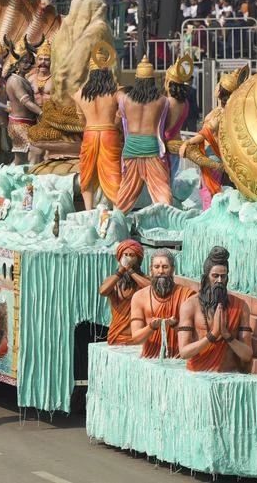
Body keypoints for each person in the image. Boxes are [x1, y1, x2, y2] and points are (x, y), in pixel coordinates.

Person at [179, 64, 250, 208]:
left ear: (219, 92)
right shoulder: (232, 113)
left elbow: (204, 134)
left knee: (210, 193)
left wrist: (187, 143)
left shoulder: (217, 115)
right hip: (227, 159)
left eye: (217, 85)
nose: (215, 87)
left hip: (213, 159)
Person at [177, 246, 253, 372]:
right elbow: (184, 353)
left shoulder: (241, 306)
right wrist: (212, 335)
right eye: (215, 276)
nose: (219, 281)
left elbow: (247, 355)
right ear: (206, 276)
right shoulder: (190, 306)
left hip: (228, 376)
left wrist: (227, 335)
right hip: (198, 375)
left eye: (223, 276)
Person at [116, 56, 174, 212]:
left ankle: (116, 218)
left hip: (131, 148)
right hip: (151, 147)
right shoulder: (163, 101)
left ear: (136, 79)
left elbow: (123, 122)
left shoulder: (125, 100)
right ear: (152, 80)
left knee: (126, 191)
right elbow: (165, 125)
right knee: (161, 188)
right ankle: (167, 219)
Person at [72, 42, 122, 210]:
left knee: (87, 172)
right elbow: (120, 116)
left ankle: (88, 210)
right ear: (107, 70)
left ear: (90, 72)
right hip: (110, 133)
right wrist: (113, 126)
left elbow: (81, 120)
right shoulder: (116, 91)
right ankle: (117, 210)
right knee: (113, 171)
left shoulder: (79, 94)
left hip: (90, 134)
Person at [128, 248, 192, 359]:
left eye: (165, 267)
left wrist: (175, 325)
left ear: (173, 269)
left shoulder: (187, 295)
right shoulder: (139, 297)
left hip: (179, 360)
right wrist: (151, 327)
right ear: (151, 270)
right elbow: (136, 338)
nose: (161, 271)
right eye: (156, 267)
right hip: (151, 358)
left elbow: (194, 336)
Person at [99, 239, 149, 345]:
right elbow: (103, 292)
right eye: (125, 255)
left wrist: (131, 272)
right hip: (117, 336)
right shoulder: (112, 281)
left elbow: (152, 290)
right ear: (120, 258)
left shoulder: (144, 280)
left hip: (139, 337)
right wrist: (120, 272)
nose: (128, 258)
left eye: (132, 255)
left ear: (138, 259)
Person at [4, 38, 45, 163]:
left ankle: (25, 178)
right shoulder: (15, 80)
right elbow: (26, 102)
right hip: (19, 125)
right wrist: (42, 113)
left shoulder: (23, 79)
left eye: (30, 62)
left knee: (24, 157)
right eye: (25, 62)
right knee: (32, 153)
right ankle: (20, 178)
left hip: (28, 123)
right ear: (16, 63)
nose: (28, 65)